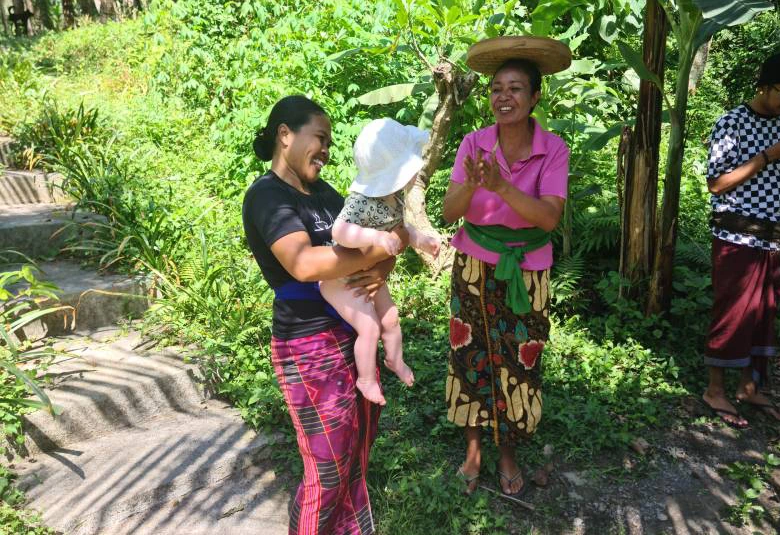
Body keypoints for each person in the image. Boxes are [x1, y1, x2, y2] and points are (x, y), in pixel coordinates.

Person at [242, 95, 406, 534]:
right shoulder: (266, 196)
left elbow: (384, 235)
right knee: (328, 468)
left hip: (356, 335)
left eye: (330, 142)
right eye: (320, 138)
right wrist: (372, 254)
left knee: (355, 457)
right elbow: (304, 263)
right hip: (308, 343)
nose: (327, 150)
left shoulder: (326, 194)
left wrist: (384, 262)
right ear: (285, 135)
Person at [442, 35, 571, 496]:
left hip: (528, 268)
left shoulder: (553, 149)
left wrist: (501, 187)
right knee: (469, 354)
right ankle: (474, 451)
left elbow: (549, 217)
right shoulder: (473, 144)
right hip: (474, 265)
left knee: (522, 359)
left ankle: (510, 454)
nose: (504, 96)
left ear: (535, 97)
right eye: (497, 88)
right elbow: (448, 212)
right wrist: (472, 184)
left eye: (515, 88)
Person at [703, 50, 780, 428]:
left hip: (775, 235)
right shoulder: (733, 123)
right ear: (763, 86)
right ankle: (714, 390)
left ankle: (748, 386)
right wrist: (767, 156)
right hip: (737, 235)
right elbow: (717, 183)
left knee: (763, 315)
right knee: (734, 313)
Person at [320, 118, 441, 406]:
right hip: (339, 279)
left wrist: (422, 240)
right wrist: (374, 237)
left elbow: (403, 230)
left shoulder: (394, 199)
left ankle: (395, 361)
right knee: (370, 327)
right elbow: (339, 231)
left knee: (391, 319)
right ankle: (366, 380)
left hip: (365, 273)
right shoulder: (361, 200)